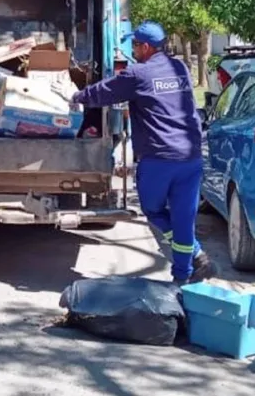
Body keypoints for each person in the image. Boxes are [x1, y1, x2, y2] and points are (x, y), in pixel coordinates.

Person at [58, 20, 216, 285]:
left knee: (153, 210)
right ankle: (184, 276)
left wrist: (76, 97)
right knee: (184, 218)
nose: (133, 50)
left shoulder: (138, 74)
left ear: (145, 47)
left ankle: (195, 256)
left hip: (159, 158)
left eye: (134, 46)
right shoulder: (180, 68)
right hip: (190, 156)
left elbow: (105, 92)